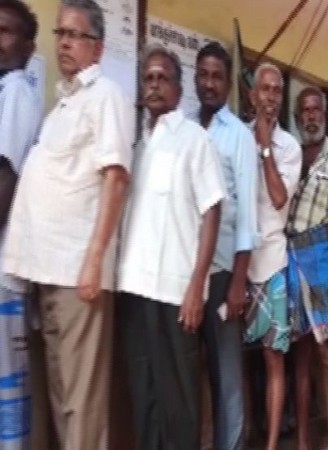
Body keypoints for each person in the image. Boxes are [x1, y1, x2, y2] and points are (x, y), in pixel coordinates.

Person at [3, 1, 135, 448]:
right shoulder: (64, 103)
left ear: (96, 48)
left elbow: (115, 178)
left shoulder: (106, 96)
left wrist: (95, 260)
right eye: (59, 33)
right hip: (47, 272)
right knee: (59, 399)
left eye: (74, 35)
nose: (63, 42)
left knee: (82, 405)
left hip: (78, 274)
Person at [117, 45, 225, 450]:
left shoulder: (194, 139)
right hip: (134, 288)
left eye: (163, 78)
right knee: (144, 395)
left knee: (179, 401)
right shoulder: (136, 144)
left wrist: (197, 286)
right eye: (148, 78)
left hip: (176, 292)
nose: (154, 85)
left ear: (179, 91)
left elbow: (212, 210)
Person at [194, 41, 258, 450]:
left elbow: (247, 216)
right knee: (192, 373)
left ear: (229, 83)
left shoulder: (239, 137)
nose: (210, 84)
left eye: (218, 76)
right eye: (204, 75)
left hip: (221, 274)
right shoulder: (183, 127)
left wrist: (238, 282)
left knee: (228, 375)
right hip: (185, 275)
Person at [286, 86, 328, 450]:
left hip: (327, 259)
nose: (310, 116)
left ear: (323, 116)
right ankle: (301, 441)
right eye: (305, 111)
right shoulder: (290, 156)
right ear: (297, 117)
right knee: (300, 354)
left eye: (316, 110)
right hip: (293, 258)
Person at [244, 63, 301, 450]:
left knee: (273, 359)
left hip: (273, 263)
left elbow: (279, 197)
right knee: (238, 362)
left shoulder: (289, 147)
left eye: (276, 91)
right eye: (264, 89)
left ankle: (271, 444)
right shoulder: (234, 135)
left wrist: (264, 146)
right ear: (253, 95)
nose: (270, 97)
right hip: (237, 265)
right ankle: (245, 435)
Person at [0, 2, 40, 449]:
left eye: (6, 32)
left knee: (8, 400)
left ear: (29, 47)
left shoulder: (15, 92)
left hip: (5, 271)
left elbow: (5, 179)